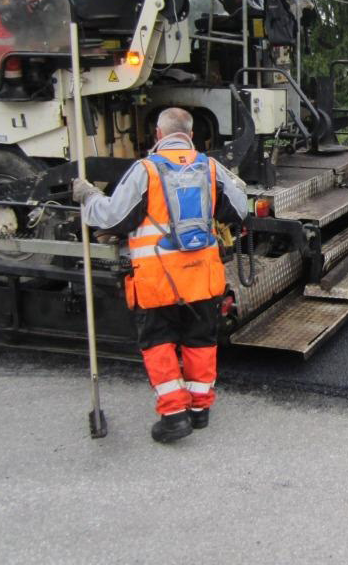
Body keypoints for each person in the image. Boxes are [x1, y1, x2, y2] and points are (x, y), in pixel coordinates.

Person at [72, 108, 248, 443]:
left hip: (157, 278)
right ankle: (199, 410)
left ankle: (173, 417)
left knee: (159, 342)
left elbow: (112, 218)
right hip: (202, 276)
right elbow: (239, 210)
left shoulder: (146, 170)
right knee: (200, 340)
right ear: (191, 135)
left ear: (158, 135)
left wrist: (88, 196)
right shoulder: (211, 167)